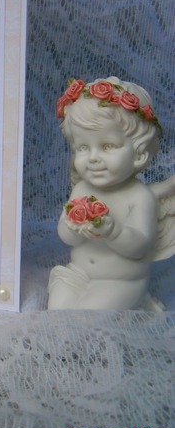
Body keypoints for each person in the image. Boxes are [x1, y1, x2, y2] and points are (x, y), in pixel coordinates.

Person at [47, 77, 174, 310]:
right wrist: (71, 227)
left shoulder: (139, 197)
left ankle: (139, 300)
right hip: (79, 273)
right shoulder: (82, 189)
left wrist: (113, 232)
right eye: (83, 147)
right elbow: (66, 237)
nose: (93, 158)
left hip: (120, 281)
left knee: (87, 316)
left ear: (139, 154)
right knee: (57, 310)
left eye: (107, 146)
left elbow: (140, 247)